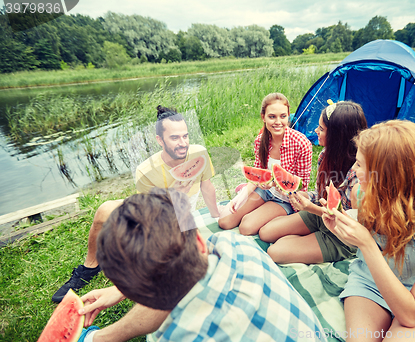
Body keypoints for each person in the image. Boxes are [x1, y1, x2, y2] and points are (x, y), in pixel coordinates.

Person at [77, 188, 327, 342]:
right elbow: (179, 271)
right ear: (198, 238)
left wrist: (129, 287)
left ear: (140, 295)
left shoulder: (174, 336)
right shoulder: (239, 247)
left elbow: (169, 288)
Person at [321, 120, 415, 342]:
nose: (353, 169)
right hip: (369, 283)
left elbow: (411, 316)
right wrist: (340, 230)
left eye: (360, 165)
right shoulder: (361, 195)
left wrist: (366, 244)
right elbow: (369, 248)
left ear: (387, 174)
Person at [51, 106, 219, 303]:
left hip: (180, 214)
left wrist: (216, 216)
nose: (183, 143)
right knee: (104, 210)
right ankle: (89, 267)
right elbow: (150, 213)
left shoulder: (199, 153)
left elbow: (207, 187)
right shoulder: (145, 170)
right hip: (154, 208)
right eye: (175, 138)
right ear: (160, 140)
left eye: (185, 136)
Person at [259, 101, 367, 264]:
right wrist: (304, 195)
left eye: (321, 129)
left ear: (338, 136)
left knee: (274, 251)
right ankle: (306, 239)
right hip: (320, 214)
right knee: (265, 233)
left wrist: (311, 208)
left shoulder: (359, 176)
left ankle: (310, 242)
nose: (316, 131)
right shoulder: (325, 155)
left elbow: (351, 225)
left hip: (343, 237)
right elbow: (320, 193)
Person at [218, 93, 313, 235]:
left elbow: (302, 186)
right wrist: (241, 196)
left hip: (286, 199)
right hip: (264, 191)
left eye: (283, 116)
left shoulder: (301, 143)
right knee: (224, 221)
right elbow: (257, 174)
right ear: (263, 117)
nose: (278, 122)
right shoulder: (260, 141)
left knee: (246, 227)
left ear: (288, 116)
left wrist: (275, 184)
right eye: (272, 116)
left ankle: (273, 215)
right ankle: (250, 202)